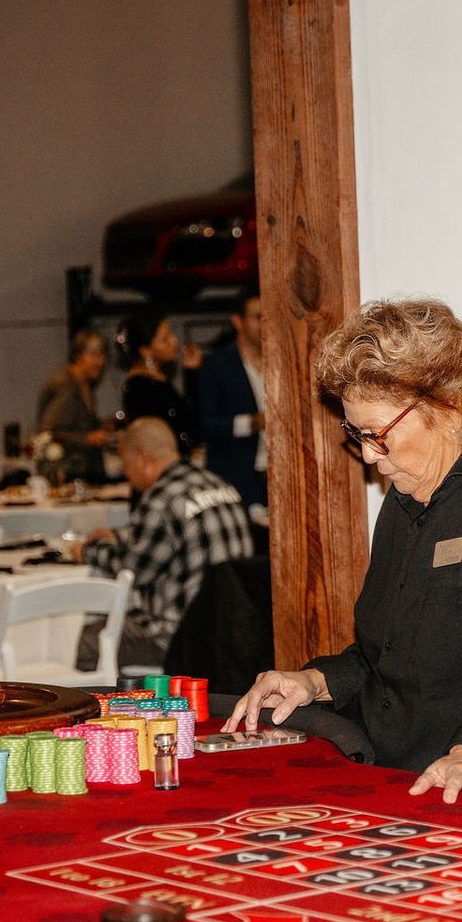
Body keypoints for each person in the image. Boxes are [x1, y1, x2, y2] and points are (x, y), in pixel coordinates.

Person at [226, 298, 462, 804]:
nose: (367, 455)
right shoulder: (406, 498)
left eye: (378, 435)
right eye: (356, 436)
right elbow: (392, 654)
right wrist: (316, 682)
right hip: (408, 784)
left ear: (448, 406)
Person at [79, 417, 254, 668]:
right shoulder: (219, 485)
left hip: (179, 639)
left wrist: (89, 551)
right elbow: (177, 536)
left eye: (126, 464)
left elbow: (131, 572)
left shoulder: (160, 498)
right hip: (232, 632)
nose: (127, 474)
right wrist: (118, 536)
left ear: (143, 457)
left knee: (83, 642)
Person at [199, 286, 269, 508]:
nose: (265, 324)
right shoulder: (216, 365)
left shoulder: (280, 362)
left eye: (268, 317)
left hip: (276, 473)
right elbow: (206, 424)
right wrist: (252, 422)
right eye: (258, 317)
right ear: (238, 322)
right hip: (235, 476)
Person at [118, 307, 201, 457]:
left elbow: (190, 421)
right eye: (165, 339)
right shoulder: (139, 387)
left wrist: (191, 372)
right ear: (145, 350)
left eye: (171, 334)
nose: (174, 341)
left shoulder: (158, 379)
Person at [36, 328, 115, 482]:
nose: (101, 362)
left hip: (84, 471)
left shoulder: (83, 385)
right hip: (70, 473)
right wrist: (88, 439)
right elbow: (50, 432)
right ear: (78, 356)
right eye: (94, 355)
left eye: (103, 355)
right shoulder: (66, 386)